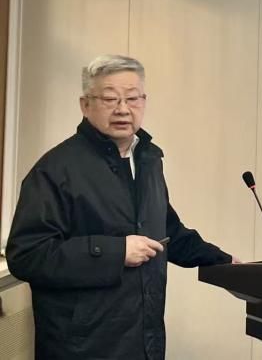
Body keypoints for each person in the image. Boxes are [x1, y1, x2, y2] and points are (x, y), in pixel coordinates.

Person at [6, 55, 237, 360]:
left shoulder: (149, 160)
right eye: (110, 98)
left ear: (144, 102)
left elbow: (167, 231)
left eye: (132, 98)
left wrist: (228, 265)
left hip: (144, 341)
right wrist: (115, 252)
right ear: (85, 105)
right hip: (82, 348)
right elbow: (27, 256)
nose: (123, 109)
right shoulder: (55, 170)